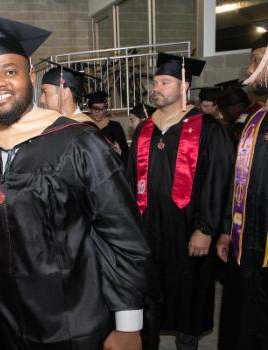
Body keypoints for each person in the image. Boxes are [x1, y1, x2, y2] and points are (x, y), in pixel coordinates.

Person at [0, 14, 152, 350]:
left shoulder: (79, 143)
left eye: (10, 71)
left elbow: (123, 236)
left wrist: (128, 324)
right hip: (10, 323)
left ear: (30, 76)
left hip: (77, 320)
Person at [127, 53, 235, 350]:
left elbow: (220, 180)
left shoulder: (208, 128)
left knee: (188, 297)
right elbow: (129, 179)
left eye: (164, 82)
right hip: (149, 230)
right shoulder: (145, 129)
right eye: (154, 81)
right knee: (151, 296)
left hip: (189, 231)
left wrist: (206, 228)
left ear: (184, 85)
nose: (156, 87)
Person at [216, 32, 268, 350]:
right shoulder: (257, 119)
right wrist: (227, 230)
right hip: (247, 247)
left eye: (256, 60)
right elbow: (239, 181)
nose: (250, 69)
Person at [85, 91, 129, 164]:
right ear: (89, 109)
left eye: (103, 109)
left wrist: (119, 151)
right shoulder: (84, 126)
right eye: (96, 109)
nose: (100, 112)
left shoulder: (115, 127)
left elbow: (125, 153)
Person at [216, 80, 263, 146]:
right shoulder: (256, 109)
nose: (224, 116)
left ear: (231, 109)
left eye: (223, 112)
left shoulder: (247, 120)